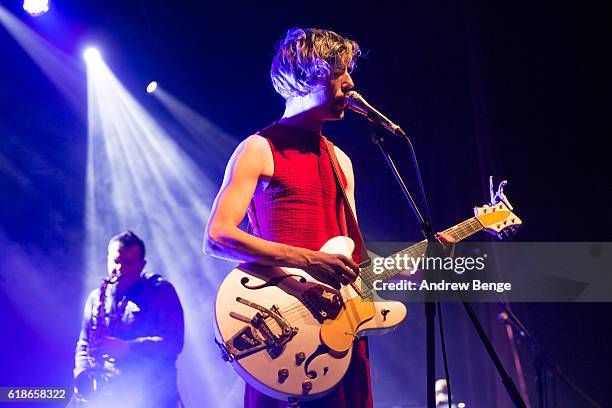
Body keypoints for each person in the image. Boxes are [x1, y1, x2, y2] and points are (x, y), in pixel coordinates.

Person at [204, 28, 371, 408]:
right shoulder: (259, 148)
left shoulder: (341, 160)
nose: (350, 83)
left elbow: (357, 262)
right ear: (306, 76)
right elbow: (217, 236)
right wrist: (308, 260)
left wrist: (418, 261)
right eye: (339, 72)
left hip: (339, 334)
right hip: (283, 333)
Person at [71, 230, 184, 408]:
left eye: (128, 263)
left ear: (142, 265)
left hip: (152, 393)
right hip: (110, 394)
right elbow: (84, 344)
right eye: (116, 261)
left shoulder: (161, 291)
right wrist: (84, 375)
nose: (120, 269)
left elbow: (173, 343)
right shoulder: (96, 297)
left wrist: (129, 348)